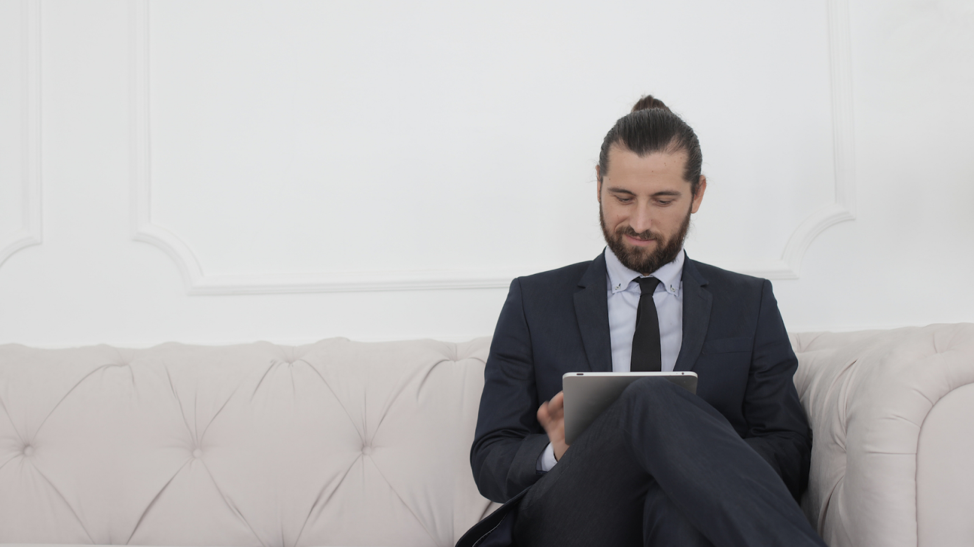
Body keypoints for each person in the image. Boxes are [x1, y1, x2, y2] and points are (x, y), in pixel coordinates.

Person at [456, 96, 826, 547]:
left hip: (692, 521)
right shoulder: (533, 301)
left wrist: (692, 466)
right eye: (623, 197)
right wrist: (554, 452)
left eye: (663, 200)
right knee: (649, 397)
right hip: (570, 521)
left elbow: (788, 445)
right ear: (598, 184)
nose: (639, 221)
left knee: (675, 507)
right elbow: (491, 456)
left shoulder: (749, 303)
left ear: (697, 194)